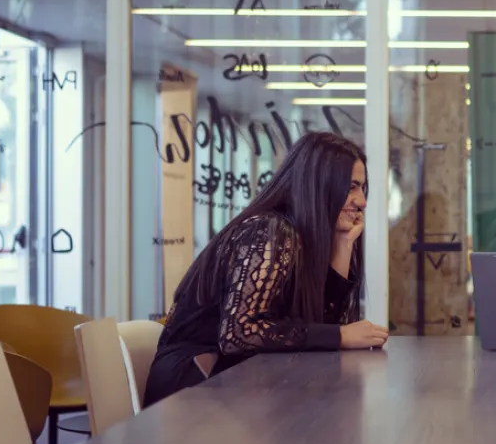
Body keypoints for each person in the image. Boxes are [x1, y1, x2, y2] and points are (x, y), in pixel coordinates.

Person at [143, 132, 388, 406]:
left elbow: (324, 327)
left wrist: (343, 245)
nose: (362, 201)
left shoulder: (302, 236)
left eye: (362, 188)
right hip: (193, 387)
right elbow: (238, 334)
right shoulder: (269, 230)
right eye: (351, 187)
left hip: (243, 384)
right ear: (319, 184)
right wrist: (339, 336)